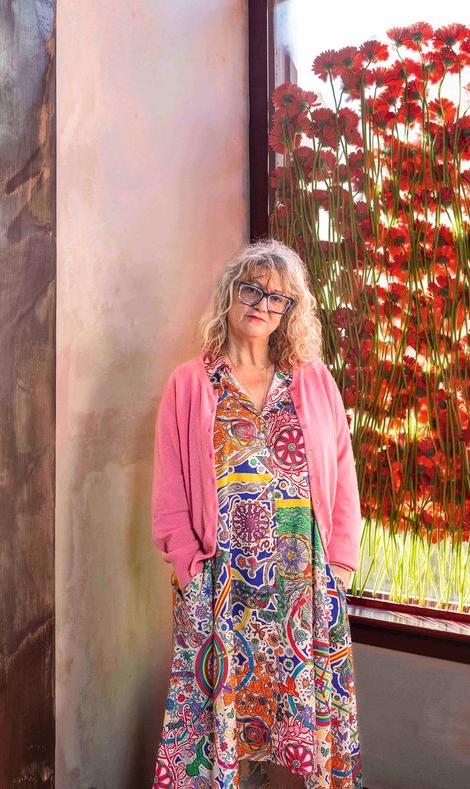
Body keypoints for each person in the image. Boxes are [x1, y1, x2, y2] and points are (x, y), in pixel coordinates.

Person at [150, 240, 363, 789]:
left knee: (305, 716)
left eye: (277, 298)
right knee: (217, 721)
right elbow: (170, 488)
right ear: (230, 294)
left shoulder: (312, 379)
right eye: (251, 289)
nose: (261, 305)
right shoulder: (190, 383)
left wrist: (340, 563)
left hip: (303, 581)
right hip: (220, 582)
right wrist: (189, 567)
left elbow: (342, 469)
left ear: (289, 311)